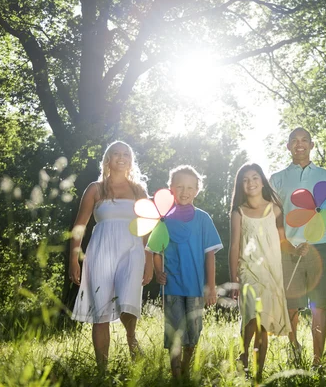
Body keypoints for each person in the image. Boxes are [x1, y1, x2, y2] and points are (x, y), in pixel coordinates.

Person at [269, 127, 326, 367]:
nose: (299, 144)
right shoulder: (277, 178)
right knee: (291, 307)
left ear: (312, 145)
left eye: (304, 140)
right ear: (288, 147)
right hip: (289, 249)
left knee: (319, 306)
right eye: (294, 140)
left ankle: (317, 361)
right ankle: (295, 350)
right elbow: (274, 217)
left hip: (321, 247)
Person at [69, 141, 154, 370]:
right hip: (101, 252)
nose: (121, 157)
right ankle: (102, 370)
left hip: (132, 251)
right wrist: (73, 259)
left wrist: (149, 261)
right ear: (108, 159)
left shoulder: (139, 191)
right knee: (101, 311)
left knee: (128, 302)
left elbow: (146, 228)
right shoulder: (95, 189)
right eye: (116, 153)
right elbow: (79, 225)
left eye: (125, 153)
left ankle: (131, 337)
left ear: (131, 159)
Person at [152, 165, 223, 379]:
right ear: (171, 188)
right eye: (180, 186)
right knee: (174, 331)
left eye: (190, 187)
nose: (185, 191)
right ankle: (175, 375)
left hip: (195, 287)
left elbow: (210, 255)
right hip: (172, 285)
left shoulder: (203, 219)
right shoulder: (164, 219)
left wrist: (211, 287)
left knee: (193, 331)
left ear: (197, 190)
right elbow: (156, 251)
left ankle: (186, 368)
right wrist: (157, 271)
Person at [228, 163, 292, 382]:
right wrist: (234, 278)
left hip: (271, 271)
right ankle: (244, 353)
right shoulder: (239, 212)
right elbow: (234, 246)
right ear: (241, 185)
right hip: (247, 270)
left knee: (264, 321)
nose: (251, 183)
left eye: (255, 178)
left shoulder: (275, 208)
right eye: (246, 180)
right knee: (252, 316)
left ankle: (258, 374)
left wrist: (297, 249)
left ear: (262, 181)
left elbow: (283, 238)